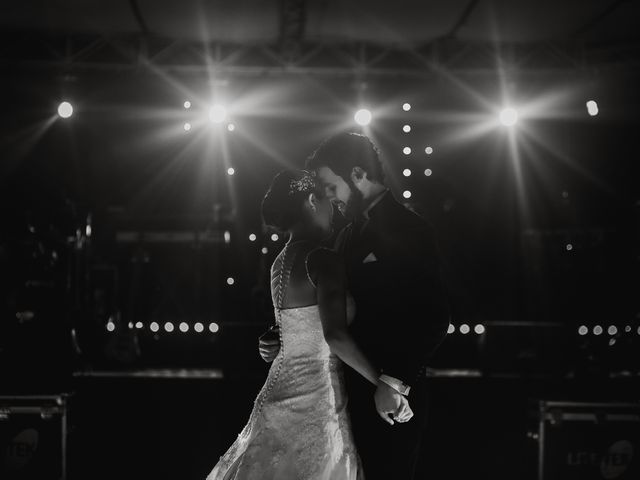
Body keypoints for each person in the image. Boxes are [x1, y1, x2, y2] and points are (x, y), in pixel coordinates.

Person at [260, 133, 450, 479]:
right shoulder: (343, 237)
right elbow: (327, 306)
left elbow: (434, 316)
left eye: (331, 186)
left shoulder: (413, 230)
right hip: (338, 401)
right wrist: (286, 335)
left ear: (358, 174)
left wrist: (393, 383)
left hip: (391, 402)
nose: (328, 197)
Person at [207, 169, 413, 480]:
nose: (334, 209)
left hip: (278, 392)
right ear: (312, 200)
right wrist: (383, 382)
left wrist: (273, 340)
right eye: (328, 200)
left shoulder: (281, 260)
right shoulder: (322, 259)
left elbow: (292, 325)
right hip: (317, 399)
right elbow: (335, 335)